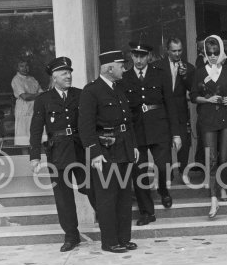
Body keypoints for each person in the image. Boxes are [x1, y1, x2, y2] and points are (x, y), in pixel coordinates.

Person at [29, 57, 94, 252]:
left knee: (92, 188)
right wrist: (34, 156)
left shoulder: (81, 95)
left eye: (70, 72)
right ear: (54, 77)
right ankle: (71, 236)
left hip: (79, 150)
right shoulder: (43, 99)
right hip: (57, 152)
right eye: (64, 73)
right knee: (63, 197)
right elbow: (35, 129)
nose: (69, 76)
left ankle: (108, 226)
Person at [79, 50, 139, 253]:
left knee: (124, 195)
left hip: (123, 148)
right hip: (104, 151)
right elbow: (85, 126)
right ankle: (110, 241)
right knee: (107, 197)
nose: (124, 69)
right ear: (109, 68)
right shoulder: (91, 91)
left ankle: (123, 238)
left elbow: (127, 122)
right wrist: (95, 153)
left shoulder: (118, 89)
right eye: (121, 65)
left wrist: (134, 146)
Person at [120, 44, 181, 226]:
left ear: (149, 56)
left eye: (142, 56)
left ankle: (163, 190)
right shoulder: (125, 77)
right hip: (137, 129)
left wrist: (176, 134)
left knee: (162, 166)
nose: (139, 60)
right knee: (140, 171)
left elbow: (170, 104)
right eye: (135, 56)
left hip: (159, 126)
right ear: (131, 56)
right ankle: (147, 212)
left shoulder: (160, 73)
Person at [190, 35, 227, 218]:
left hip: (226, 117)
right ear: (205, 53)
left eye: (216, 52)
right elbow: (193, 96)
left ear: (221, 53)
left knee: (225, 157)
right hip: (208, 118)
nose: (212, 56)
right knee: (211, 159)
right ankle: (213, 200)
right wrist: (208, 99)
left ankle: (223, 186)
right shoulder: (199, 72)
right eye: (209, 53)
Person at [153, 37, 195, 180]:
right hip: (162, 110)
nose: (177, 54)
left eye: (180, 50)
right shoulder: (157, 66)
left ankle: (183, 172)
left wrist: (185, 76)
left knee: (183, 143)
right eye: (174, 51)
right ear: (167, 51)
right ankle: (167, 175)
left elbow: (193, 89)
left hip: (180, 110)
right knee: (164, 145)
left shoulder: (189, 67)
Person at [12, 59, 43, 146]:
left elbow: (42, 93)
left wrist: (36, 95)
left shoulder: (32, 79)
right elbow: (25, 97)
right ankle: (25, 158)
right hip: (23, 111)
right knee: (25, 139)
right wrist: (38, 95)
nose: (25, 68)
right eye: (21, 66)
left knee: (37, 137)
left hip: (35, 109)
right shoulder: (16, 79)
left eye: (26, 66)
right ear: (17, 68)